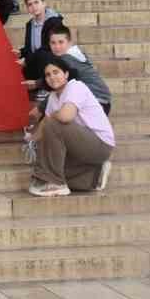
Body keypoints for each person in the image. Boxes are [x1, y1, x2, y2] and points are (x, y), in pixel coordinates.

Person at [29, 55, 114, 197]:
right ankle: (94, 174)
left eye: (56, 72)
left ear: (66, 74)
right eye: (48, 75)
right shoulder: (52, 97)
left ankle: (56, 184)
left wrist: (49, 119)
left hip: (100, 144)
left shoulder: (75, 86)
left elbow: (65, 116)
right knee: (51, 165)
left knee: (54, 123)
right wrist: (31, 141)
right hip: (81, 146)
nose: (52, 77)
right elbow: (45, 128)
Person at [47, 23, 112, 116]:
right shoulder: (76, 53)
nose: (57, 47)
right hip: (103, 100)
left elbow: (58, 85)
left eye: (61, 42)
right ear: (49, 44)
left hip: (97, 101)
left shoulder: (66, 58)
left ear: (69, 43)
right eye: (53, 43)